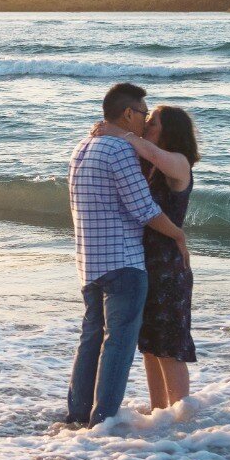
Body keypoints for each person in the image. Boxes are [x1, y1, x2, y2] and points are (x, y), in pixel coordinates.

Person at [66, 83, 190, 428]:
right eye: (143, 114)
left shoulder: (83, 146)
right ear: (128, 114)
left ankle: (78, 414)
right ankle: (102, 422)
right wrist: (179, 235)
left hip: (88, 260)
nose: (145, 120)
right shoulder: (119, 151)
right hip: (123, 262)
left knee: (92, 338)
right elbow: (144, 209)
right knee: (118, 345)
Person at [91, 104, 199, 411]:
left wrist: (120, 132)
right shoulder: (148, 165)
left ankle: (182, 421)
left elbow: (152, 153)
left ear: (170, 132)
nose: (146, 127)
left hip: (168, 266)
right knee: (150, 345)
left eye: (152, 124)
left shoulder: (179, 163)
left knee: (170, 346)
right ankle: (159, 414)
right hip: (142, 261)